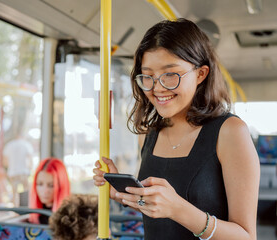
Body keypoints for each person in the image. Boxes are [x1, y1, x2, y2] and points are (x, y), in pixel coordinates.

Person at [93, 18, 260, 240]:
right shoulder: (149, 133)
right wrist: (126, 195)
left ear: (201, 74)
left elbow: (246, 237)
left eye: (170, 74)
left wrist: (179, 209)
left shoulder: (230, 131)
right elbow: (161, 214)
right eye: (148, 76)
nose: (158, 88)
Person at [29, 157, 70, 224]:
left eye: (51, 185)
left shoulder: (69, 218)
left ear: (61, 186)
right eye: (40, 184)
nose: (45, 191)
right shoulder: (34, 215)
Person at [3, 134, 33, 206]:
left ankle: (15, 208)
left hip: (13, 172)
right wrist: (30, 169)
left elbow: (5, 161)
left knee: (14, 192)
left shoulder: (9, 145)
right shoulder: (26, 144)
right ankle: (26, 207)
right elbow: (30, 159)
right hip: (23, 172)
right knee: (26, 190)